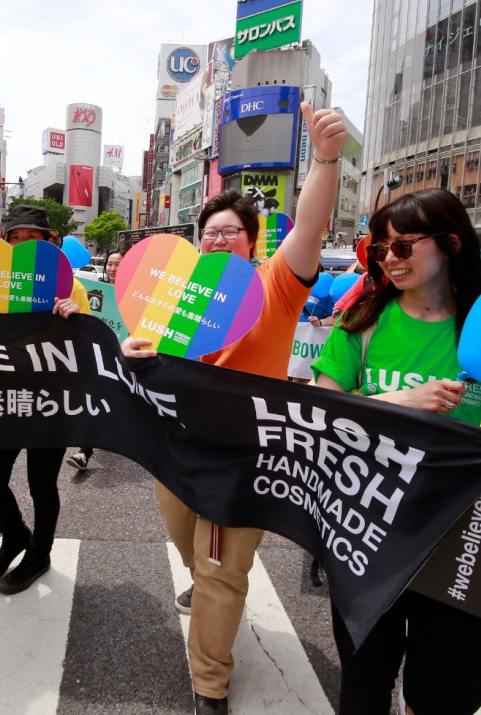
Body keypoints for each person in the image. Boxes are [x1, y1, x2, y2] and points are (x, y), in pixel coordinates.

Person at [123, 102, 347, 714]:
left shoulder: (276, 284)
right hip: (174, 450)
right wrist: (130, 347)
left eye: (230, 233)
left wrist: (324, 159)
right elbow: (141, 351)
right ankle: (204, 587)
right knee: (188, 544)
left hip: (243, 458)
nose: (218, 240)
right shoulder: (178, 297)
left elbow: (310, 227)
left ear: (252, 244)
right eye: (209, 233)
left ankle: (210, 685)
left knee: (221, 571)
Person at [312, 189, 481, 714]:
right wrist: (398, 400)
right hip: (370, 532)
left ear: (450, 244)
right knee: (363, 682)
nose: (389, 259)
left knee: (444, 692)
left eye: (403, 246)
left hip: (465, 539)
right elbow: (319, 412)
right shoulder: (362, 321)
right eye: (378, 248)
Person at [0, 204, 91, 593]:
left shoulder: (70, 285)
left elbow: (89, 347)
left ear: (49, 244)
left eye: (33, 238)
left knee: (42, 484)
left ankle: (39, 554)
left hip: (51, 401)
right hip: (5, 397)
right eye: (16, 238)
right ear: (5, 244)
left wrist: (75, 316)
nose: (24, 245)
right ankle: (14, 536)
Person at [67, 248, 122, 471]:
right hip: (95, 354)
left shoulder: (136, 295)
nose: (112, 268)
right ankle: (84, 451)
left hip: (122, 356)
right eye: (110, 264)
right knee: (92, 397)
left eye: (118, 264)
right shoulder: (91, 290)